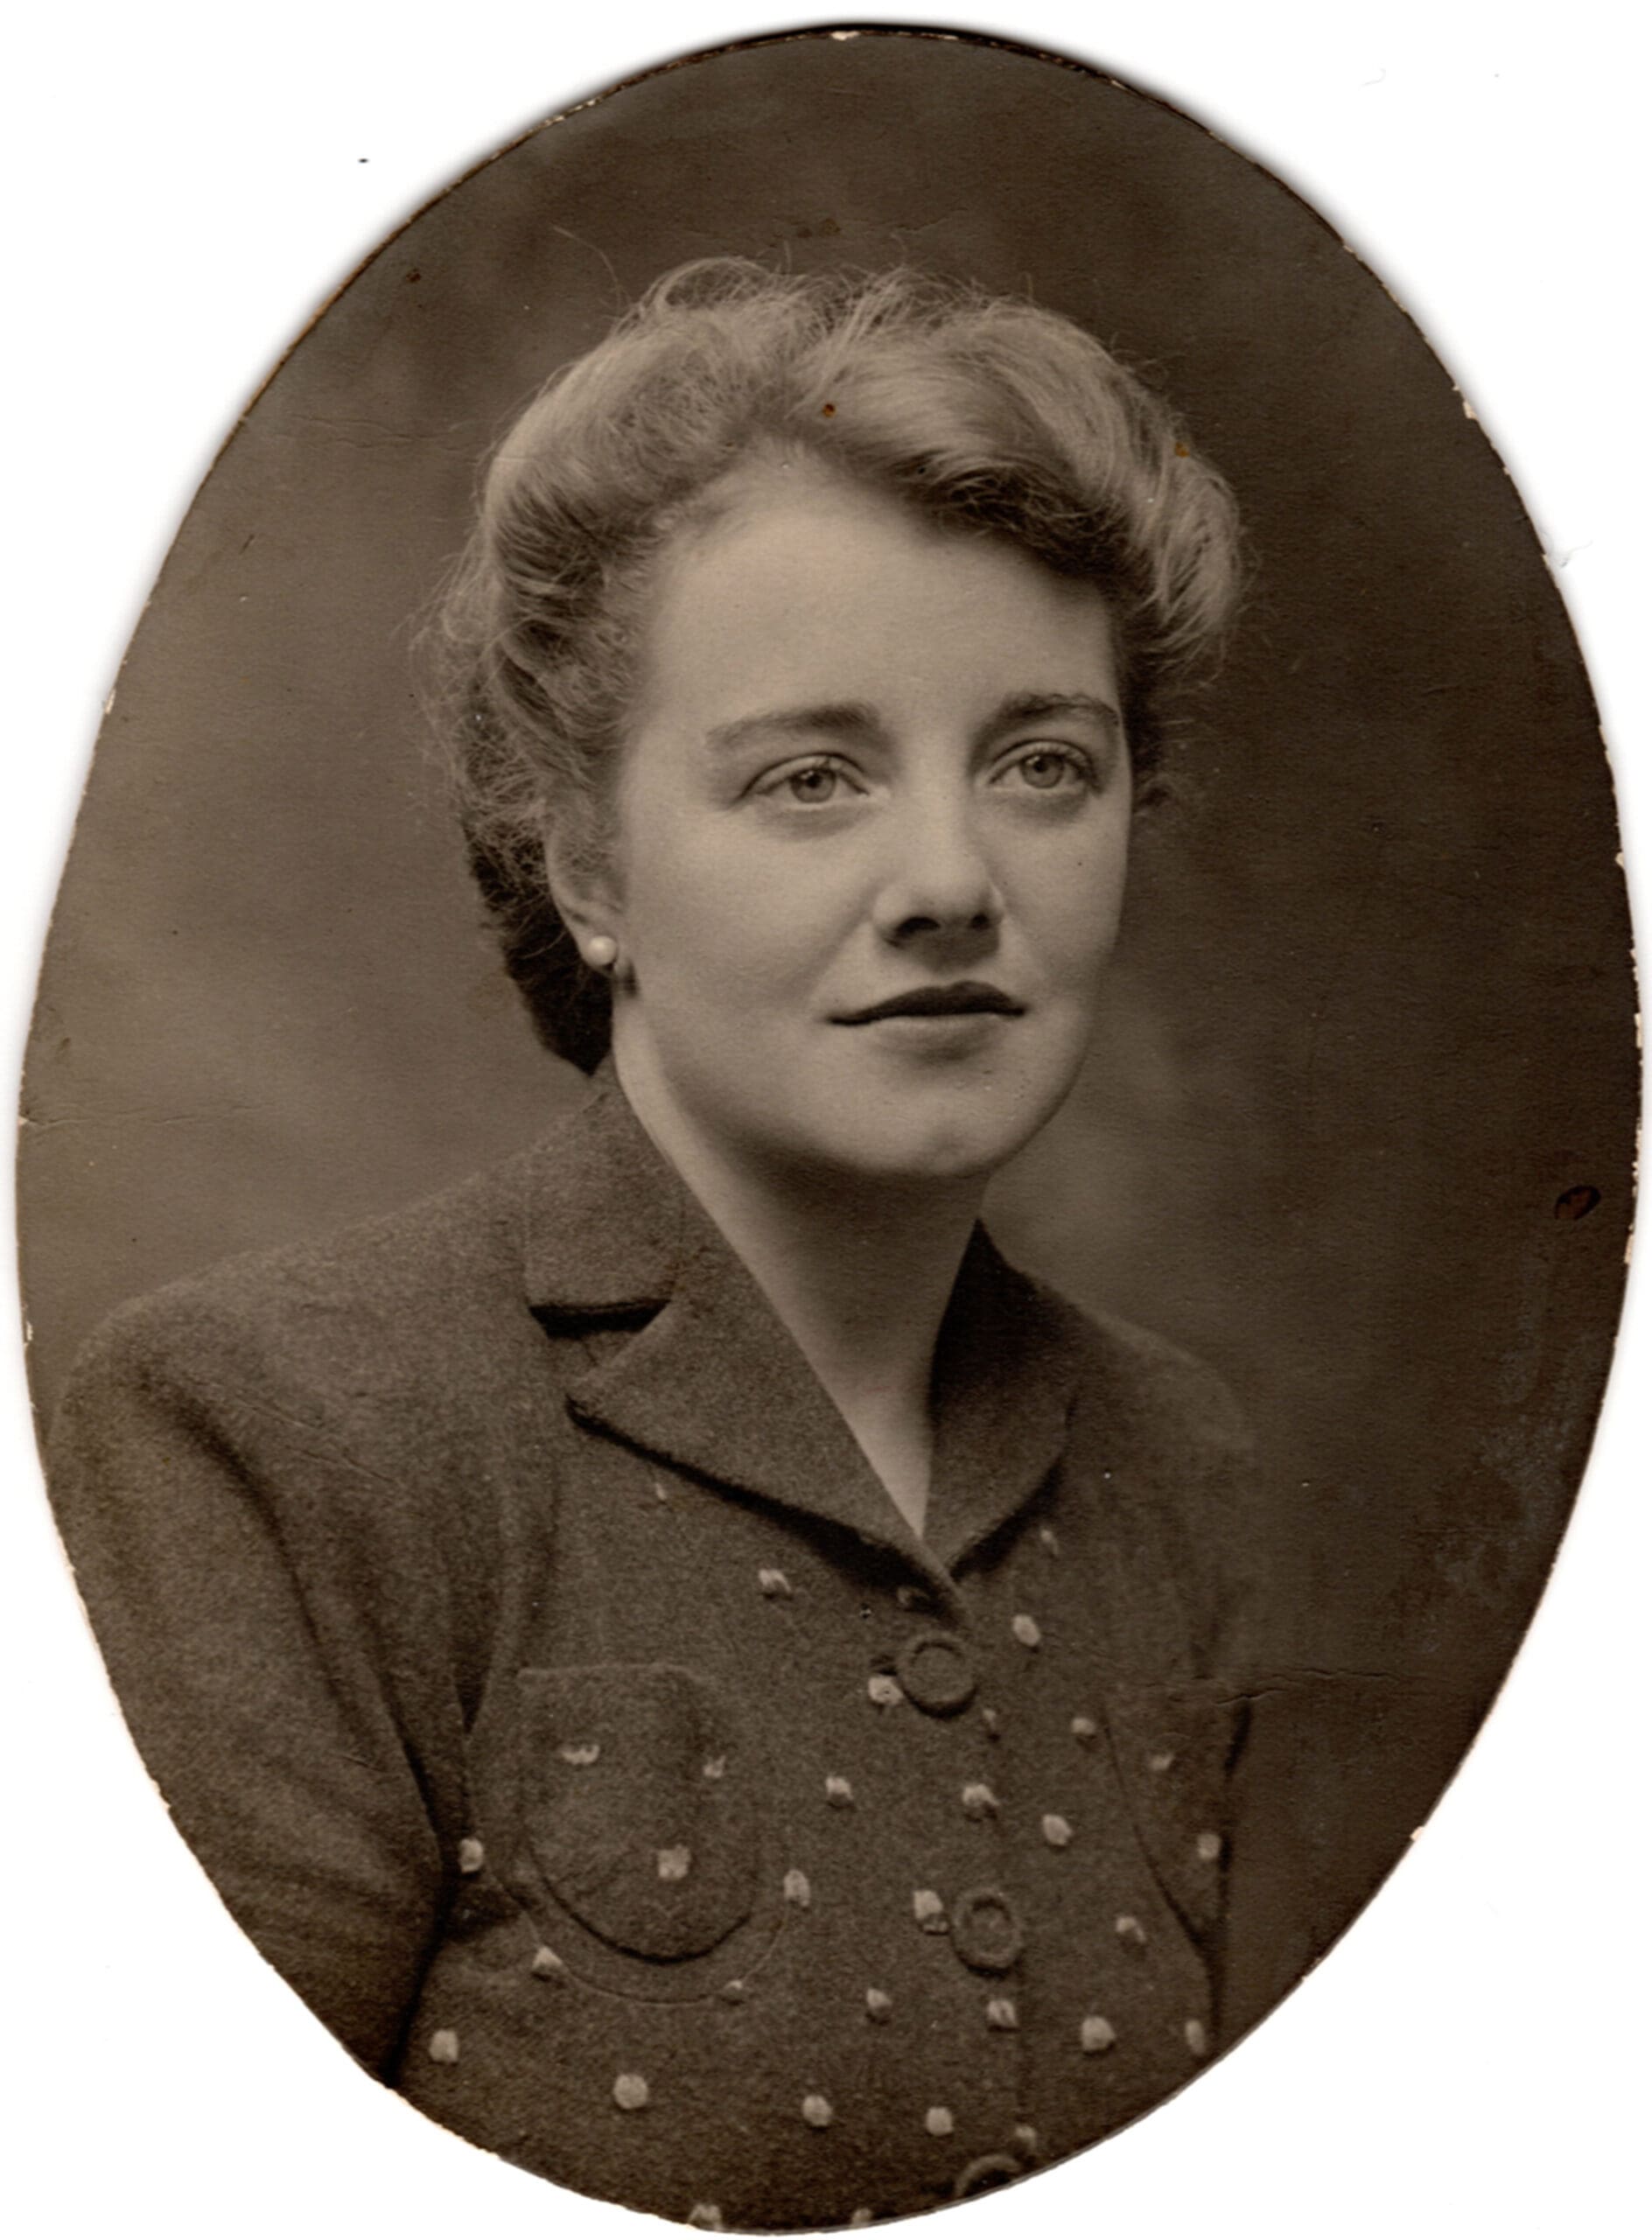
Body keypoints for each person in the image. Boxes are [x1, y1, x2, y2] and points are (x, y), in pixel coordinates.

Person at [46, 259, 1256, 2230]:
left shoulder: (1179, 1469)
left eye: (1041, 761)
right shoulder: (273, 1434)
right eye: (809, 777)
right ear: (585, 861)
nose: (950, 879)